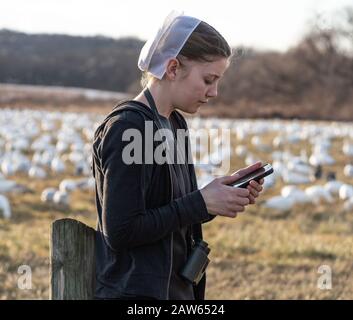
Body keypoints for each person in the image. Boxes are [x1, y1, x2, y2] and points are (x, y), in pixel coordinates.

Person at [92, 11, 264, 300]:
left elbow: (170, 212)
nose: (215, 92)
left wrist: (218, 197)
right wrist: (200, 201)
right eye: (209, 79)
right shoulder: (127, 127)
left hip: (176, 291)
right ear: (173, 68)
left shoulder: (174, 122)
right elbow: (121, 231)